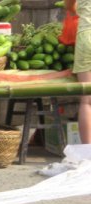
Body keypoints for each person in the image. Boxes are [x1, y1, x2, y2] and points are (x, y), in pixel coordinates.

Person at [67, 0, 91, 143]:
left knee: (87, 101)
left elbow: (69, 5)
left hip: (86, 36)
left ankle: (88, 151)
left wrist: (78, 9)